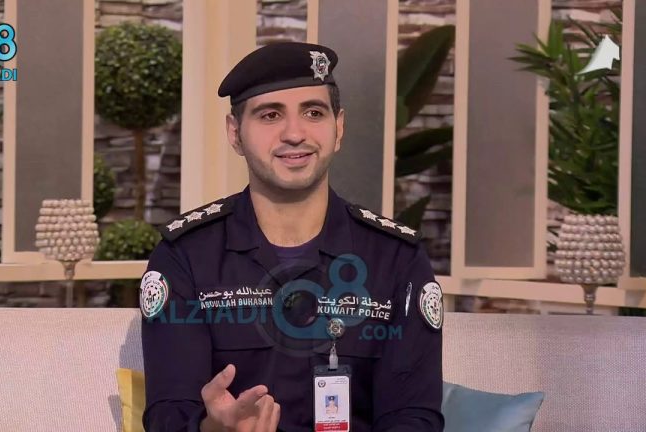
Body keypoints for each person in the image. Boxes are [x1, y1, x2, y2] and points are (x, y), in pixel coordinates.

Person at [141, 41, 444, 432]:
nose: (295, 133)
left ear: (338, 128)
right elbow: (167, 415)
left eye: (313, 112)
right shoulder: (185, 256)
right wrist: (214, 427)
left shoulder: (397, 258)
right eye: (270, 115)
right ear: (235, 133)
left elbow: (413, 417)